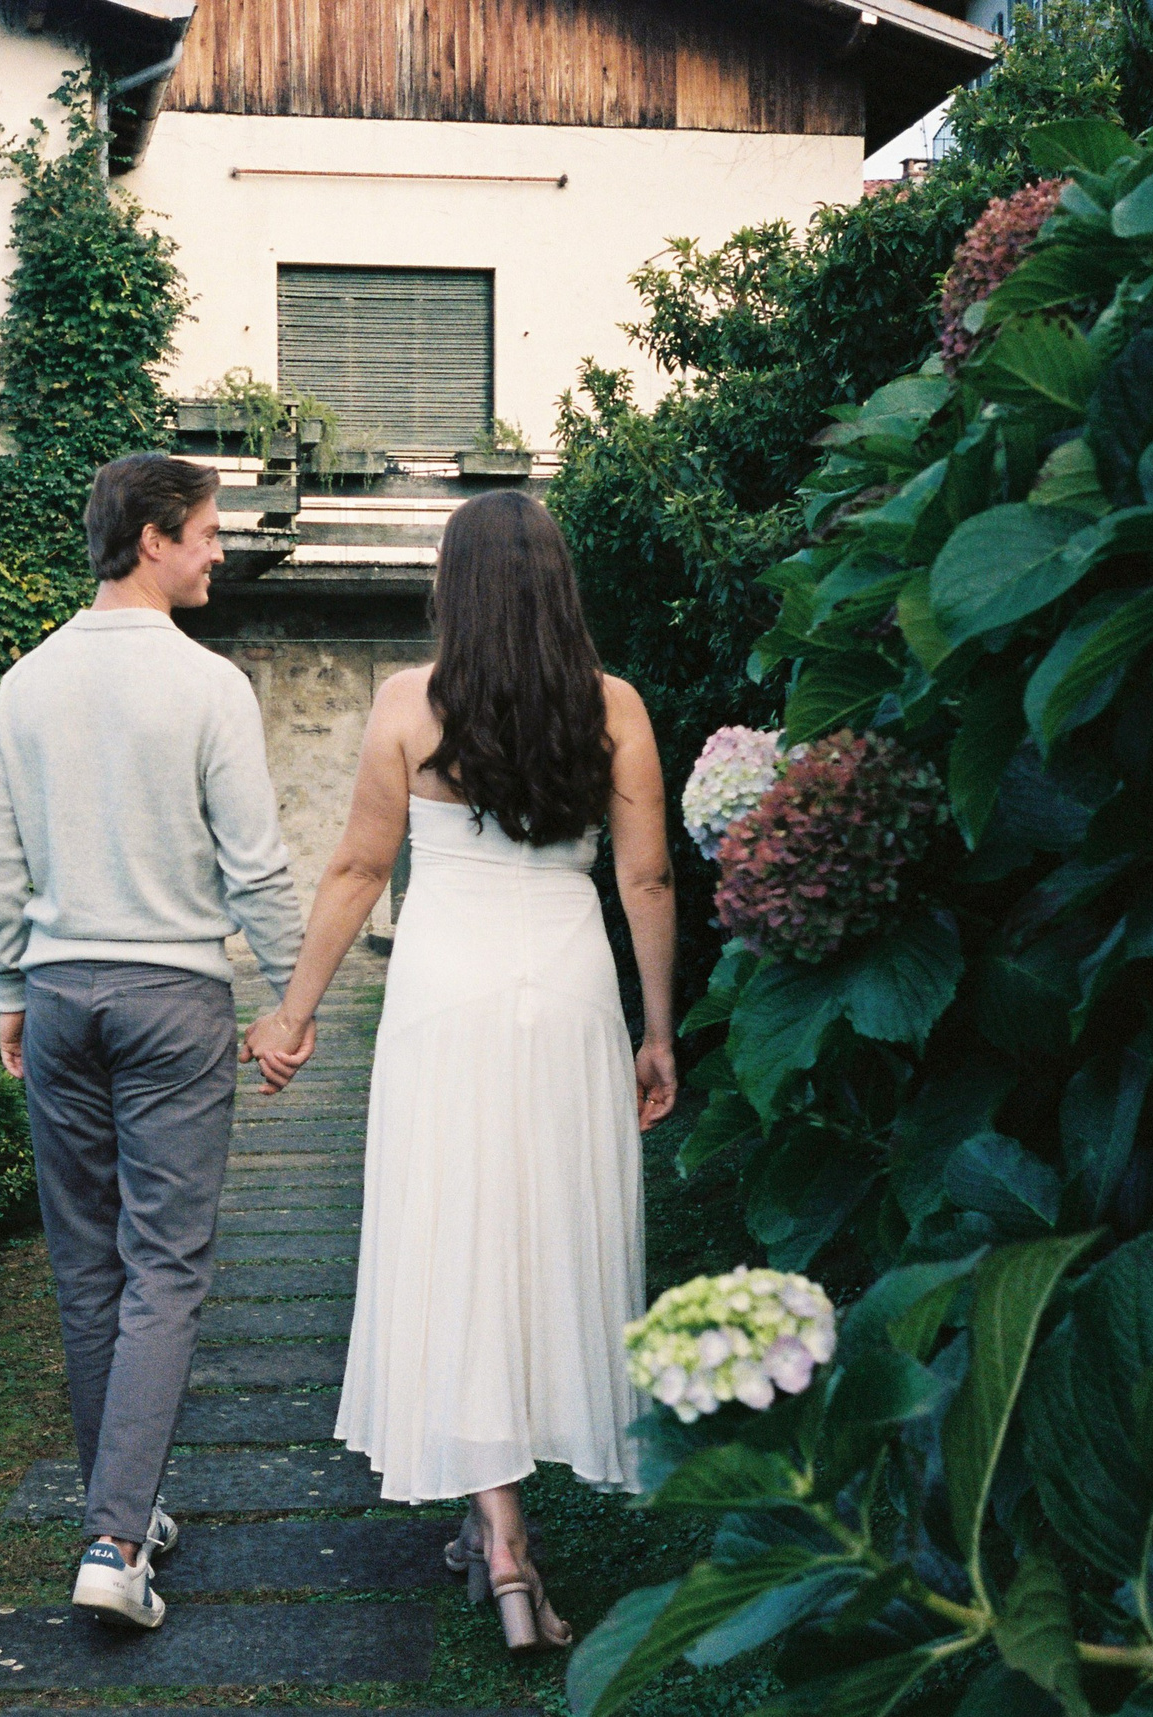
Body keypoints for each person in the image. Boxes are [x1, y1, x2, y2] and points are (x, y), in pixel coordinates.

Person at [242, 488, 678, 1651]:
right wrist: (658, 1028)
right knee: (546, 1230)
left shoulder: (405, 703)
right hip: (568, 986)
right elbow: (645, 882)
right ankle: (510, 1526)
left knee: (457, 1234)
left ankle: (499, 1537)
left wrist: (291, 1012)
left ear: (456, 584)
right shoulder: (615, 707)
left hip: (445, 994)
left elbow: (352, 871)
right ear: (555, 582)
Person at [0, 453, 310, 1630]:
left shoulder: (27, 681)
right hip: (172, 1001)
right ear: (156, 535)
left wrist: (11, 983)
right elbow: (254, 864)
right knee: (165, 1267)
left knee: (87, 1266)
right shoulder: (209, 686)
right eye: (211, 530)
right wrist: (291, 996)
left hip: (61, 999)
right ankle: (114, 1540)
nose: (220, 550)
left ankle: (121, 1501)